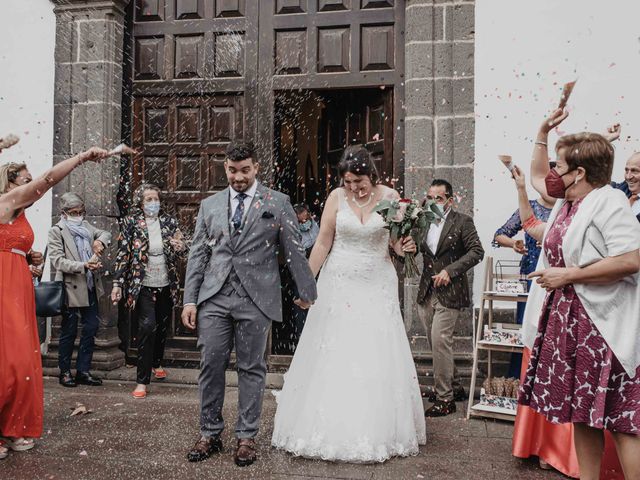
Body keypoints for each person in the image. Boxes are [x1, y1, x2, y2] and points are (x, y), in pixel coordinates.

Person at [271, 145, 426, 462]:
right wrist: (306, 283)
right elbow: (324, 241)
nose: (355, 188)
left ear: (371, 173)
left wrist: (406, 245)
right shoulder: (336, 198)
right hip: (338, 283)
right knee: (336, 349)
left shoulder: (391, 198)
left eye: (360, 181)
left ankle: (376, 425)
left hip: (376, 283)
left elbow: (396, 243)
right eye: (349, 182)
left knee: (373, 351)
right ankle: (328, 422)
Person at [512, 127, 640, 479]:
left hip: (603, 328)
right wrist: (524, 184)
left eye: (560, 166)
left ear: (579, 173)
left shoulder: (609, 201)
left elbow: (631, 259)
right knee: (582, 415)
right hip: (571, 324)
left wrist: (567, 276)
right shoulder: (568, 205)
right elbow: (541, 224)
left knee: (621, 419)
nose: (553, 174)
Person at [181, 141, 317, 467]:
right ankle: (210, 432)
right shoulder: (210, 205)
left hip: (257, 299)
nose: (238, 176)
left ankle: (246, 436)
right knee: (211, 363)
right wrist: (189, 299)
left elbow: (294, 251)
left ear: (256, 168)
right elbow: (199, 253)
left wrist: (307, 291)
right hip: (215, 296)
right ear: (225, 168)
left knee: (251, 368)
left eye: (245, 170)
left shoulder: (278, 202)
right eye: (232, 170)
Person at [0, 147, 109, 459]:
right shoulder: (5, 202)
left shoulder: (18, 213)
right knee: (7, 362)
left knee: (21, 360)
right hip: (3, 288)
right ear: (9, 185)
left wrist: (27, 257)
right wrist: (82, 158)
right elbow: (48, 179)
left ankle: (12, 427)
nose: (32, 184)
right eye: (25, 180)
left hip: (17, 285)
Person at [111, 183, 186, 399]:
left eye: (156, 199)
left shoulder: (169, 222)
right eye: (149, 200)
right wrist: (117, 283)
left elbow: (181, 248)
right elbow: (123, 254)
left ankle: (157, 362)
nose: (153, 203)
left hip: (166, 282)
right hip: (142, 283)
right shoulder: (131, 222)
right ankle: (142, 381)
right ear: (140, 203)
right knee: (147, 327)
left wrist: (180, 246)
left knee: (162, 326)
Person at [418, 179, 484, 417]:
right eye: (430, 197)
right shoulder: (423, 221)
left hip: (451, 291)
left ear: (449, 199)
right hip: (427, 292)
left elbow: (477, 251)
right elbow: (415, 248)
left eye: (438, 198)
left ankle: (445, 398)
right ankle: (455, 386)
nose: (433, 202)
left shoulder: (463, 221)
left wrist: (450, 270)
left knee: (440, 340)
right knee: (436, 343)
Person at [49, 193, 111, 388]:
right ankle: (65, 371)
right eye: (73, 212)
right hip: (71, 288)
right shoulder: (57, 231)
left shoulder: (86, 227)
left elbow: (105, 233)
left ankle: (83, 371)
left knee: (91, 328)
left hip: (90, 286)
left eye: (81, 212)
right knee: (68, 331)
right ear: (64, 213)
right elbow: (58, 261)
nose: (78, 215)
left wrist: (99, 242)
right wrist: (83, 265)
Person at [493, 195, 553, 377]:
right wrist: (514, 243)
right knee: (525, 326)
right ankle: (520, 378)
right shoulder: (529, 207)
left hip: (555, 276)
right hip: (529, 277)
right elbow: (499, 235)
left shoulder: (566, 206)